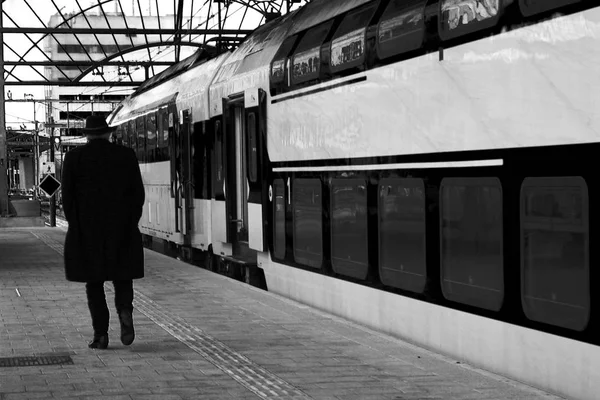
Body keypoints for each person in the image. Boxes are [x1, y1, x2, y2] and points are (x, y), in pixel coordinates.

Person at [61, 115, 145, 349]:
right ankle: (125, 310)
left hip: (88, 231)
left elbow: (67, 198)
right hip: (122, 228)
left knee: (94, 284)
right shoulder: (126, 156)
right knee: (123, 276)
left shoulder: (74, 158)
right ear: (108, 134)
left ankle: (101, 335)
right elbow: (138, 194)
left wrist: (76, 226)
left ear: (87, 135)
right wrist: (131, 222)